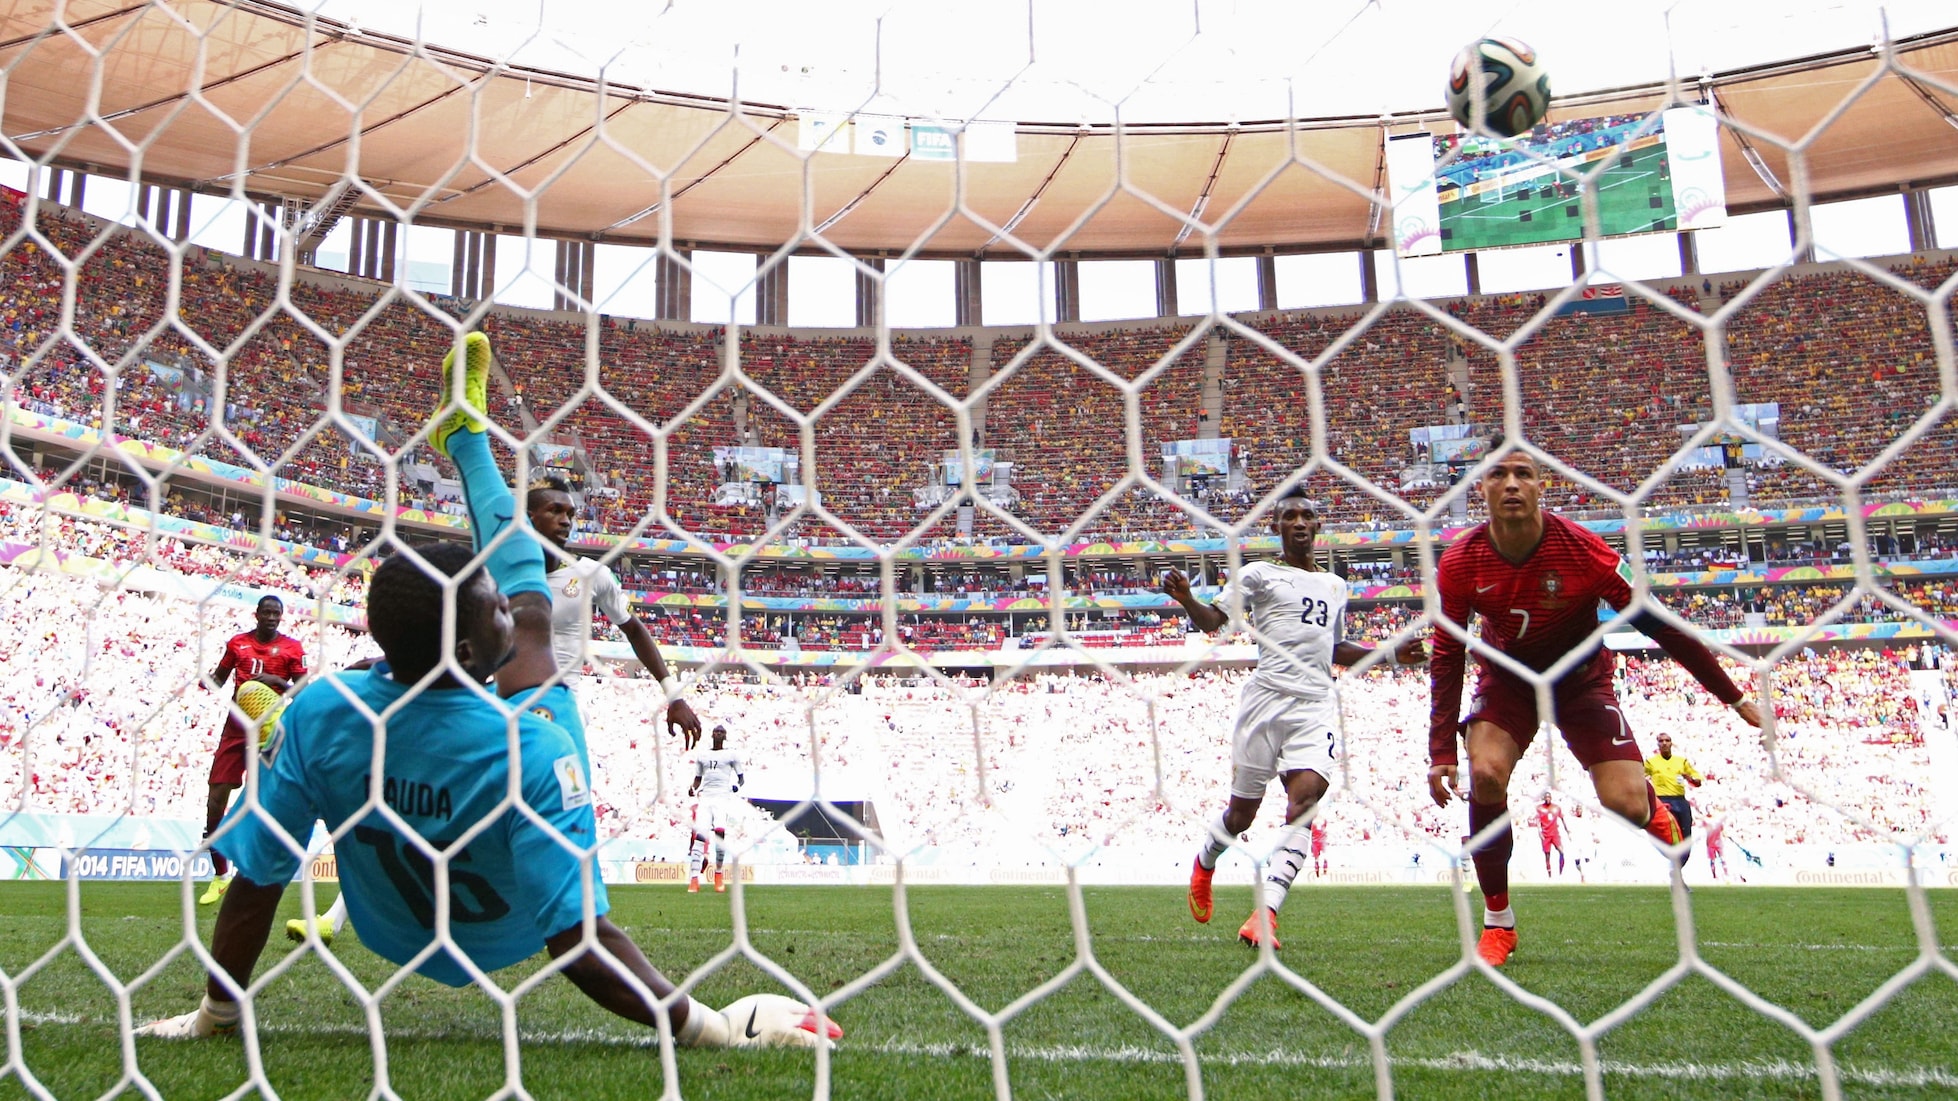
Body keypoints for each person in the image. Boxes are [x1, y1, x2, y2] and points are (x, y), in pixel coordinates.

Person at [138, 333, 837, 1050]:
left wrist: (214, 1014)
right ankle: (468, 439)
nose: (508, 604)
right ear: (471, 653)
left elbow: (257, 879)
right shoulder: (538, 746)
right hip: (506, 929)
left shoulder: (323, 716)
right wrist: (715, 1028)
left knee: (340, 716)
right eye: (492, 604)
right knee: (535, 623)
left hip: (390, 928)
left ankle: (463, 442)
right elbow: (580, 942)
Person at [1428, 450, 1763, 966]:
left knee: (1624, 803)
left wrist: (1733, 695)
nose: (1512, 484)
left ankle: (1654, 813)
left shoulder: (1582, 549)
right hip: (1508, 681)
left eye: (1524, 474)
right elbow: (1448, 650)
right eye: (1499, 474)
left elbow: (1655, 621)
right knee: (1487, 773)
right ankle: (1499, 922)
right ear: (1482, 487)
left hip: (1581, 680)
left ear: (1544, 486)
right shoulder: (1460, 560)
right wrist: (1439, 748)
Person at [1168, 489, 1427, 949]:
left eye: (1308, 515)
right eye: (1290, 516)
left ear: (1318, 527)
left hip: (1314, 705)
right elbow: (1214, 623)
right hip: (1265, 703)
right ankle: (1205, 862)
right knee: (1241, 815)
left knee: (1304, 803)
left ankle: (1264, 914)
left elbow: (1336, 648)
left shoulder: (1334, 585)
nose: (1301, 522)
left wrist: (1387, 654)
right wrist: (1189, 600)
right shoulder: (1259, 576)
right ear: (1277, 527)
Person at [527, 473, 701, 746]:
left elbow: (634, 630)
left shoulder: (591, 574)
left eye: (570, 513)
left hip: (563, 712)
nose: (566, 520)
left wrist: (674, 695)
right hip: (509, 704)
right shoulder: (502, 575)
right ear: (529, 517)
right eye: (555, 511)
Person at [200, 595, 306, 905]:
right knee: (215, 800)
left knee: (264, 800)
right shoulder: (237, 644)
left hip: (270, 730)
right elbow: (218, 679)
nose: (272, 617)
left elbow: (302, 690)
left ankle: (258, 873)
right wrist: (207, 680)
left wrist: (277, 681)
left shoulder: (292, 649)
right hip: (236, 727)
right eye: (267, 612)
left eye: (277, 613)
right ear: (257, 614)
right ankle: (220, 875)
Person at [688, 724, 746, 893]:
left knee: (720, 832)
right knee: (700, 836)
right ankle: (693, 879)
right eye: (716, 731)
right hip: (705, 798)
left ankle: (718, 875)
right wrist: (692, 788)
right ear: (712, 734)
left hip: (722, 798)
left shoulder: (731, 755)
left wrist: (735, 786)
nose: (718, 733)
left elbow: (741, 778)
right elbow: (698, 778)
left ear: (725, 736)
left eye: (721, 732)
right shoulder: (703, 755)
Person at [1643, 733, 1705, 865]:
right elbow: (1639, 777)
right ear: (1658, 744)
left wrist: (1690, 778)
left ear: (1671, 743)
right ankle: (1670, 861)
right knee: (1666, 834)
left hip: (1680, 800)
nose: (1664, 743)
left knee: (1686, 833)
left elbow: (1697, 781)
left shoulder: (1681, 761)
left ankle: (1681, 863)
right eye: (1661, 741)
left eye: (1667, 740)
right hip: (1662, 801)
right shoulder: (1651, 762)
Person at [1532, 795, 1568, 877]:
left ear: (1551, 798)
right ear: (1544, 798)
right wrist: (1539, 832)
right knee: (1547, 855)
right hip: (1545, 835)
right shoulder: (1540, 808)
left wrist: (1567, 829)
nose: (1547, 799)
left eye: (1549, 797)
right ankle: (1550, 875)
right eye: (1546, 797)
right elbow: (1538, 820)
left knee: (1561, 852)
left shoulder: (1556, 808)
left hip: (1555, 834)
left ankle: (1561, 873)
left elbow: (1562, 819)